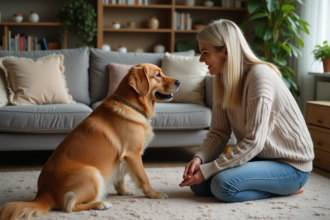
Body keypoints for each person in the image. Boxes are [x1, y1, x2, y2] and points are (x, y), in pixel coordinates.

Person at [179, 19, 314, 203]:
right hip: (260, 158)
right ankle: (265, 184)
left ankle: (286, 189)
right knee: (197, 184)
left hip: (291, 166)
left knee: (222, 185)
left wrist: (211, 169)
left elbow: (253, 142)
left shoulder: (260, 77)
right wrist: (200, 159)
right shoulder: (223, 80)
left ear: (225, 51)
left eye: (205, 53)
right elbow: (219, 133)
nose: (201, 59)